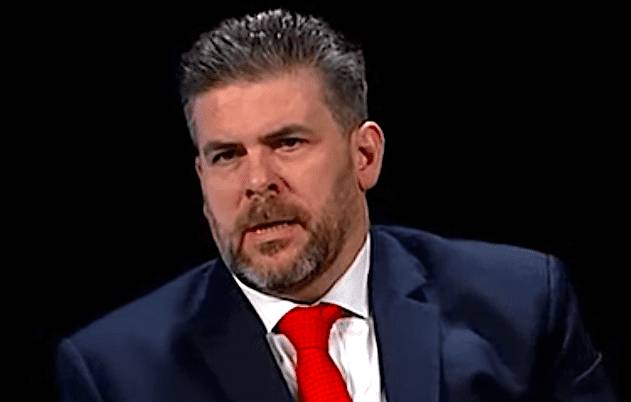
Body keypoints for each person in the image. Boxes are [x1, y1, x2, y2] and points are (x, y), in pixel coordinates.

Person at [56, 8, 618, 402]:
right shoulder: (114, 372)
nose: (258, 181)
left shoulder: (519, 306)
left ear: (365, 155)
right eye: (227, 155)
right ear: (202, 179)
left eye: (287, 143)